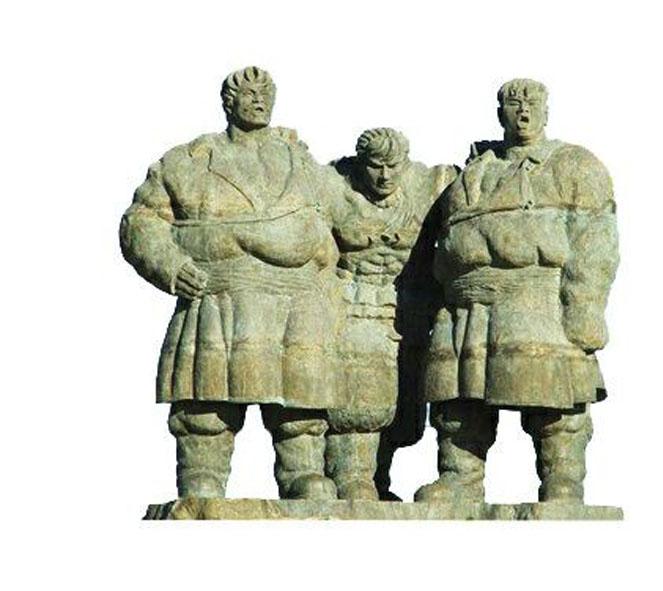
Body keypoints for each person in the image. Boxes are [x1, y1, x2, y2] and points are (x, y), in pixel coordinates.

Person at [120, 66, 343, 501]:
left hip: (294, 296)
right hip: (220, 293)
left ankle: (301, 474)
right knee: (207, 404)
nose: (259, 100)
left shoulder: (303, 162)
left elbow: (349, 214)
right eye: (249, 93)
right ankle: (202, 474)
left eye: (266, 93)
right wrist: (171, 265)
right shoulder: (190, 160)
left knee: (299, 405)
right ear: (228, 102)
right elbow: (141, 221)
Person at [416, 79, 619, 504]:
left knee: (554, 402)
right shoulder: (475, 171)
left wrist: (584, 307)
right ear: (500, 114)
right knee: (459, 404)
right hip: (468, 303)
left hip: (536, 297)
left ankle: (562, 480)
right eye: (513, 105)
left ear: (546, 111)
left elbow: (596, 242)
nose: (523, 112)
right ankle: (460, 478)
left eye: (532, 104)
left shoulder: (574, 165)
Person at [325, 128, 458, 500]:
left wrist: (490, 154)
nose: (384, 176)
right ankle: (353, 479)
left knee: (405, 407)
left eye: (393, 166)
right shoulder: (333, 184)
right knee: (359, 404)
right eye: (375, 166)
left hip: (410, 310)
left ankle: (379, 480)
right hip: (355, 305)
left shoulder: (431, 185)